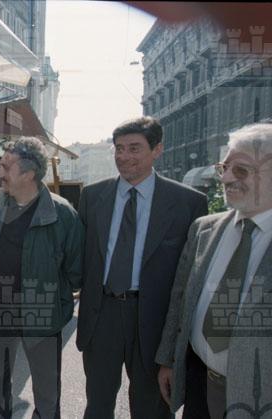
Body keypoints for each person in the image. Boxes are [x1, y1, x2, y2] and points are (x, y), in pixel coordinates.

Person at [76, 116, 207, 418]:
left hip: (155, 320)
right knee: (97, 405)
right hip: (102, 314)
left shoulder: (188, 203)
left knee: (152, 408)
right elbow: (82, 257)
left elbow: (190, 274)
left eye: (134, 148)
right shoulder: (92, 197)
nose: (124, 157)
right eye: (119, 148)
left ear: (157, 149)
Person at [156, 123, 272, 418]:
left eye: (241, 170)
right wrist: (169, 360)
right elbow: (180, 299)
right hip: (199, 383)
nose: (226, 178)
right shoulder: (204, 229)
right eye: (225, 168)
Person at [0, 137, 84, 419]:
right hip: (0, 312)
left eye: (6, 167)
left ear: (29, 173)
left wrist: (53, 300)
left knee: (47, 393)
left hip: (42, 317)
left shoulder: (63, 215)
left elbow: (76, 271)